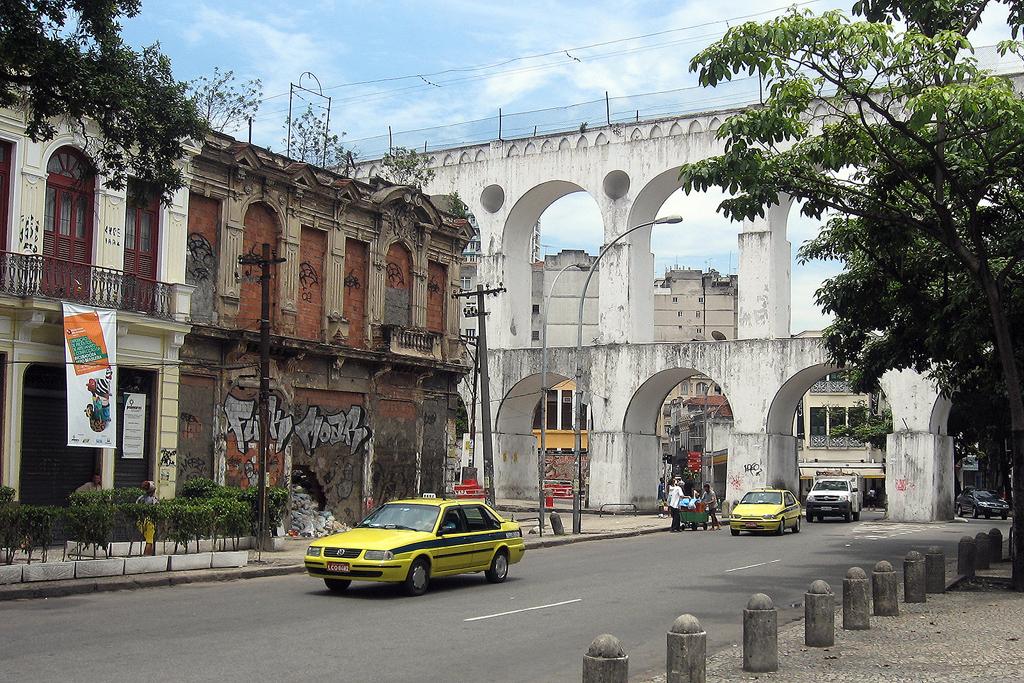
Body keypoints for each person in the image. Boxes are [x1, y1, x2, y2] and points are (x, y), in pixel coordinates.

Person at [136, 481, 158, 555]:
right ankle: (146, 555)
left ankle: (147, 555)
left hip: (140, 521)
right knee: (149, 541)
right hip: (149, 522)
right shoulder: (152, 500)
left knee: (148, 540)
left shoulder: (140, 498)